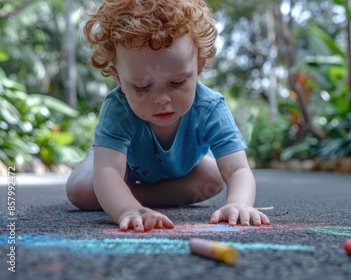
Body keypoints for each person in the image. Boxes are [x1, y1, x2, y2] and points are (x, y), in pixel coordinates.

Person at [66, 0, 270, 232]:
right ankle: (125, 197)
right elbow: (109, 171)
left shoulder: (210, 108)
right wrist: (127, 209)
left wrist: (238, 204)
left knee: (214, 179)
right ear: (119, 78)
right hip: (123, 164)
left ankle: (130, 195)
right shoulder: (118, 108)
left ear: (199, 68)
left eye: (177, 82)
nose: (161, 99)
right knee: (81, 191)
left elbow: (238, 170)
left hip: (180, 170)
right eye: (142, 87)